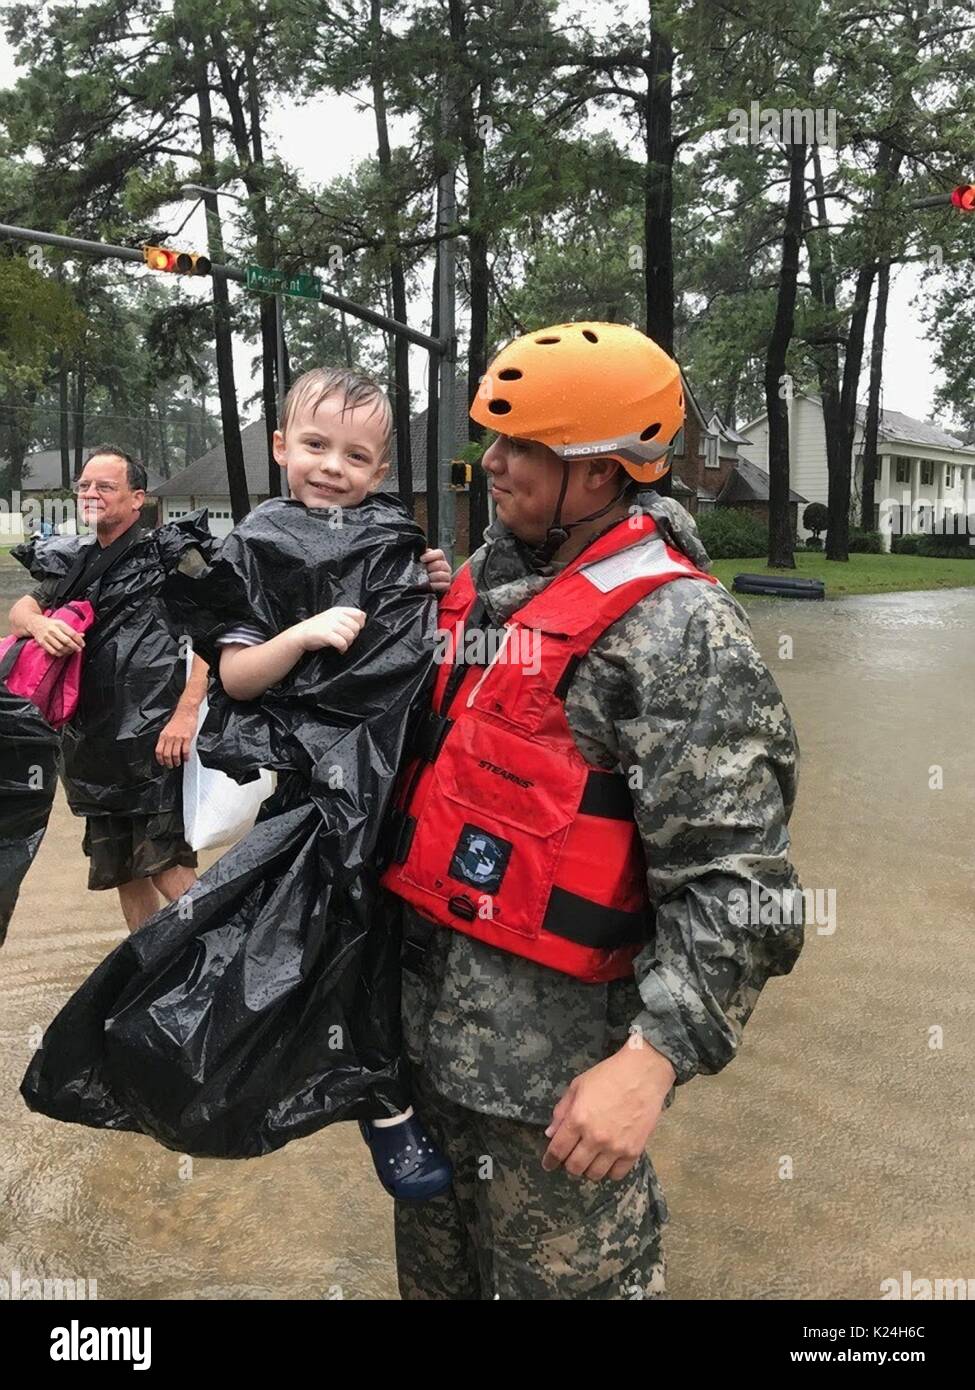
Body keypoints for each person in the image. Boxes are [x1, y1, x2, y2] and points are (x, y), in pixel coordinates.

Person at [381, 321, 804, 1299]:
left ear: (604, 473)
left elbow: (741, 886)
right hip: (427, 1070)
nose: (492, 462)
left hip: (559, 1107)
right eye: (494, 435)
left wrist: (651, 1063)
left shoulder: (679, 630)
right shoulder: (485, 587)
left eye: (523, 444)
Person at [188, 365, 453, 1197]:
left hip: (394, 780)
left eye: (354, 455)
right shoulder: (255, 545)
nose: (332, 467)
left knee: (389, 940)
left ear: (378, 472)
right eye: (314, 446)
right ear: (279, 448)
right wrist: (300, 632)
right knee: (315, 941)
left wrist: (431, 589)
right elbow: (235, 681)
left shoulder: (389, 538)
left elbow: (417, 657)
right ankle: (373, 1107)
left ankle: (389, 1096)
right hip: (316, 792)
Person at [8, 446, 213, 931]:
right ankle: (145, 972)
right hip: (90, 747)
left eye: (105, 486)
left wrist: (186, 712)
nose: (90, 494)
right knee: (121, 869)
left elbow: (215, 630)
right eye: (84, 486)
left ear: (137, 498)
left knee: (165, 864)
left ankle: (212, 962)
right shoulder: (71, 561)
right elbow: (21, 612)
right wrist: (40, 629)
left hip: (151, 741)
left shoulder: (167, 557)